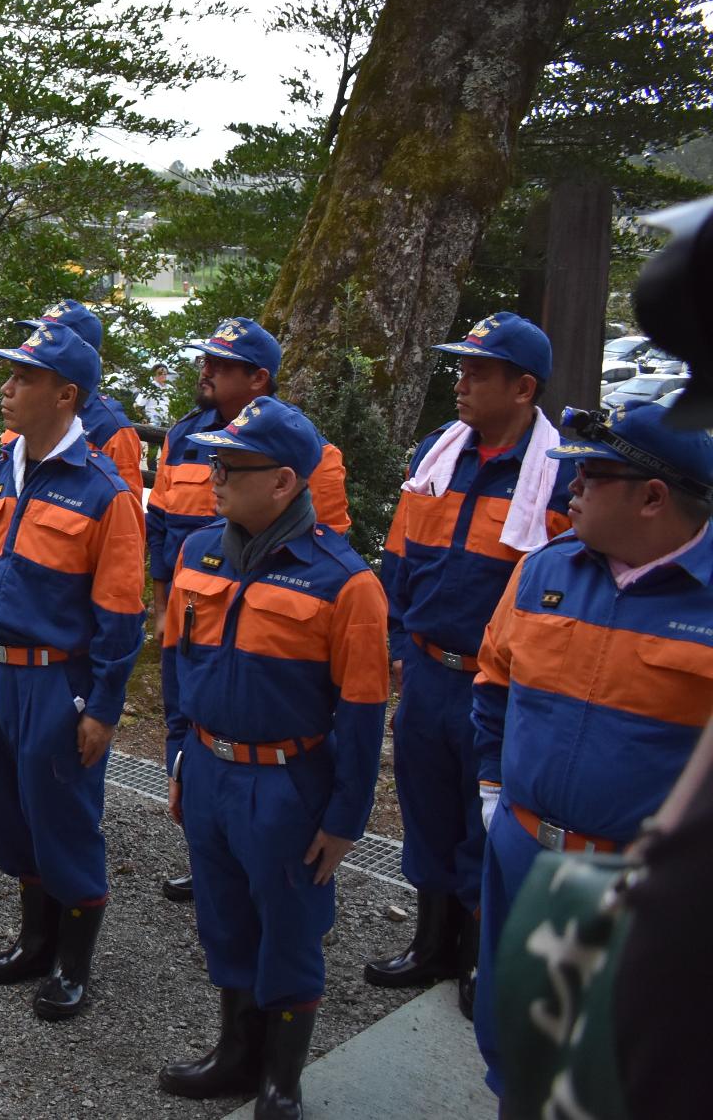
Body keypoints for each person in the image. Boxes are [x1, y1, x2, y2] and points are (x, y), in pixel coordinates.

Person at [471, 399, 713, 1100]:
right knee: (515, 1047)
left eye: (591, 476)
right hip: (524, 856)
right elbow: (493, 679)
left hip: (644, 892)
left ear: (653, 496)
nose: (568, 488)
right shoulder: (545, 570)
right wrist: (492, 788)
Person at [156, 396, 387, 1119]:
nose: (212, 474)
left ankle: (281, 1080)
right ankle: (235, 1054)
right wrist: (178, 758)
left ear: (284, 482)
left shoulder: (345, 582)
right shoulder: (199, 552)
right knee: (223, 917)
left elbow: (362, 709)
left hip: (287, 782)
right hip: (212, 768)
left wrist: (346, 814)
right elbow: (173, 665)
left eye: (230, 465)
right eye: (212, 459)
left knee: (287, 927)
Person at [366, 313, 572, 1018]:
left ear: (523, 388)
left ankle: (484, 955)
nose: (461, 382)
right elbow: (398, 557)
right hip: (427, 667)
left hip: (501, 686)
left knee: (490, 819)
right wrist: (395, 644)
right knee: (426, 806)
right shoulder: (438, 453)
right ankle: (431, 942)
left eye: (478, 372)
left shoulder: (559, 472)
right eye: (461, 368)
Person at [0, 321, 145, 1020]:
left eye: (24, 379)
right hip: (1, 674)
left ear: (66, 395)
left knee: (65, 818)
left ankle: (74, 963)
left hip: (56, 681)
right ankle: (33, 941)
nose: (6, 390)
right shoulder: (3, 466)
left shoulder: (103, 490)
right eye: (10, 376)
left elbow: (121, 612)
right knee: (13, 814)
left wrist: (102, 705)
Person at [147, 316, 352, 904]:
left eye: (220, 364)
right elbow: (161, 521)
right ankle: (209, 848)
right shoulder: (184, 436)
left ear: (258, 378)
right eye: (204, 359)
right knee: (195, 723)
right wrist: (164, 606)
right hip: (194, 610)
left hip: (266, 618)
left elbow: (323, 556)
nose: (204, 370)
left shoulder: (313, 452)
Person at [33, 300, 145, 489]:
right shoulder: (27, 409)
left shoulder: (111, 428)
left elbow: (125, 510)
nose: (35, 344)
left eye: (50, 339)